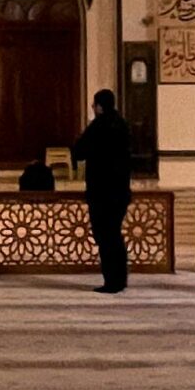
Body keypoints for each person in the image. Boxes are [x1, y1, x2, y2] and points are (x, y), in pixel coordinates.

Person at [70, 88, 132, 294]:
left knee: (105, 237)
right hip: (120, 191)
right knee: (114, 235)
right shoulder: (122, 125)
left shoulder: (98, 127)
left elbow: (79, 152)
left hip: (101, 191)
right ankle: (120, 279)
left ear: (99, 106)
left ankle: (112, 281)